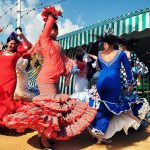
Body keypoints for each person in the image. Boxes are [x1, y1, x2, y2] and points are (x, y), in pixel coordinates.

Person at [3, 6, 98, 150]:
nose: (54, 30)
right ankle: (44, 142)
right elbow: (47, 28)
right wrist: (53, 15)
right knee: (48, 111)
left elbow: (65, 60)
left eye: (56, 28)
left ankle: (47, 136)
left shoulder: (58, 45)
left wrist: (78, 66)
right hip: (46, 79)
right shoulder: (45, 39)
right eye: (52, 28)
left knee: (54, 110)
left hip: (55, 79)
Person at [85, 34, 143, 143]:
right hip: (114, 84)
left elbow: (98, 68)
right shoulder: (120, 53)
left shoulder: (100, 54)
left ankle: (97, 130)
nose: (103, 46)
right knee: (110, 110)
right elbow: (128, 70)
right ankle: (100, 132)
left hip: (100, 83)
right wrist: (131, 84)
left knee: (102, 107)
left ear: (107, 43)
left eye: (104, 44)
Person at [0, 29, 31, 124]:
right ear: (7, 43)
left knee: (7, 101)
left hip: (11, 80)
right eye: (11, 43)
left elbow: (29, 47)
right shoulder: (0, 52)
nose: (12, 45)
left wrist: (22, 36)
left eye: (14, 44)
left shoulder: (17, 54)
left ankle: (4, 123)